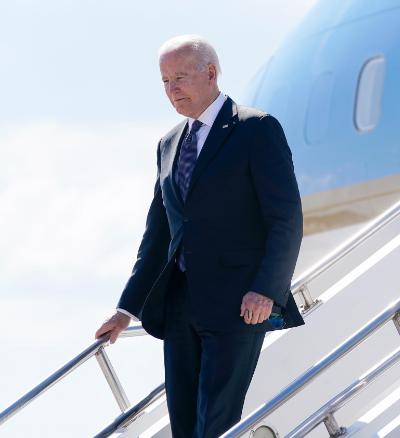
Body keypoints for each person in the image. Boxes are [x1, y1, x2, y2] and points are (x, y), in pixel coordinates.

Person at [94, 34, 305, 437]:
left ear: (210, 73)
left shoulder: (255, 129)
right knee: (185, 425)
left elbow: (286, 219)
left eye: (180, 78)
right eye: (165, 81)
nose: (172, 90)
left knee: (217, 422)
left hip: (239, 302)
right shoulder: (169, 144)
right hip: (179, 304)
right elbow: (158, 236)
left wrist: (267, 289)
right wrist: (126, 311)